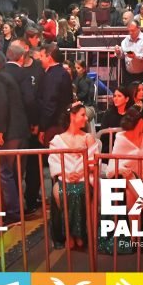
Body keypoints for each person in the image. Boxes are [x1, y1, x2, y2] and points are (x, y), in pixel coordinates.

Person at [0, 50, 30, 225]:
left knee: (5, 172)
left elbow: (2, 104)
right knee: (15, 173)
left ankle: (12, 213)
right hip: (21, 131)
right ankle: (16, 210)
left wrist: (0, 131)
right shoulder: (9, 77)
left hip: (10, 133)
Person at [48, 102, 99, 250]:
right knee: (62, 192)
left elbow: (94, 160)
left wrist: (82, 172)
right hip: (64, 178)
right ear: (72, 116)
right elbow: (54, 162)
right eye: (83, 115)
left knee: (78, 192)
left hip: (85, 178)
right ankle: (69, 235)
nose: (86, 119)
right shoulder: (57, 140)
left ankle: (79, 235)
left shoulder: (88, 138)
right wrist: (66, 174)